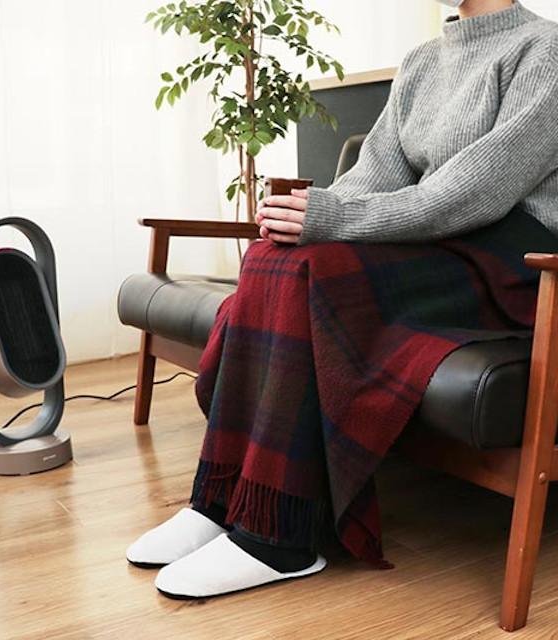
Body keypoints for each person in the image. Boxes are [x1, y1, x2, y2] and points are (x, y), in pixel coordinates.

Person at [127, 0, 558, 599]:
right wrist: (306, 216)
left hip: (514, 265)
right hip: (438, 246)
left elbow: (473, 193)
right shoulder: (423, 60)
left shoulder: (546, 52)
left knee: (312, 269)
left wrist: (332, 218)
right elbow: (372, 176)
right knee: (276, 256)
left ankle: (279, 538)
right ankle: (219, 499)